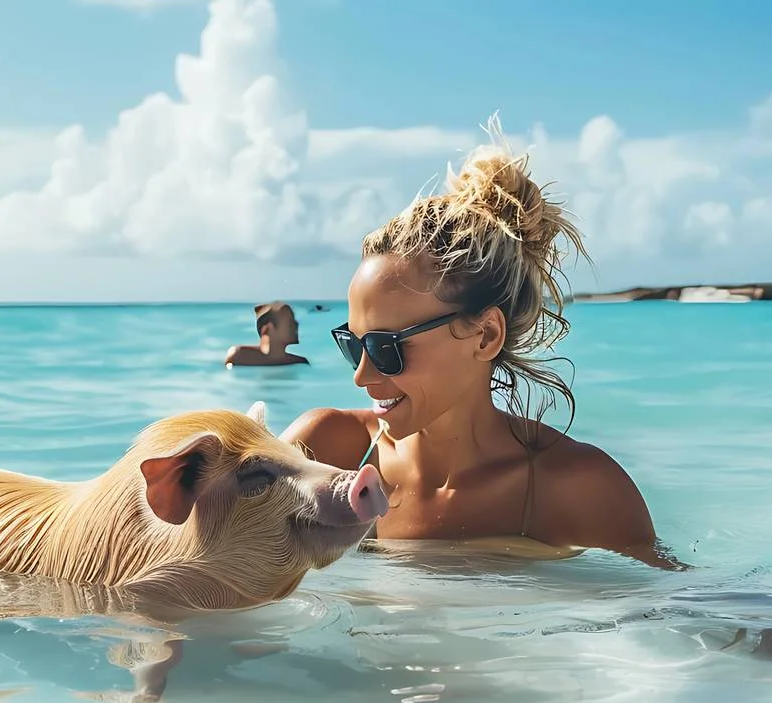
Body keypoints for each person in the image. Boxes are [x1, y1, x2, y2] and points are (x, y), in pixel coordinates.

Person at [279, 130, 684, 571]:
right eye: (353, 343)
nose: (361, 375)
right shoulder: (321, 454)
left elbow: (678, 611)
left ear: (486, 335)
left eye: (384, 346)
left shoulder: (575, 487)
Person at [225, 301, 309, 367]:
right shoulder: (240, 356)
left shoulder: (299, 362)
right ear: (268, 329)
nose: (296, 324)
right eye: (290, 321)